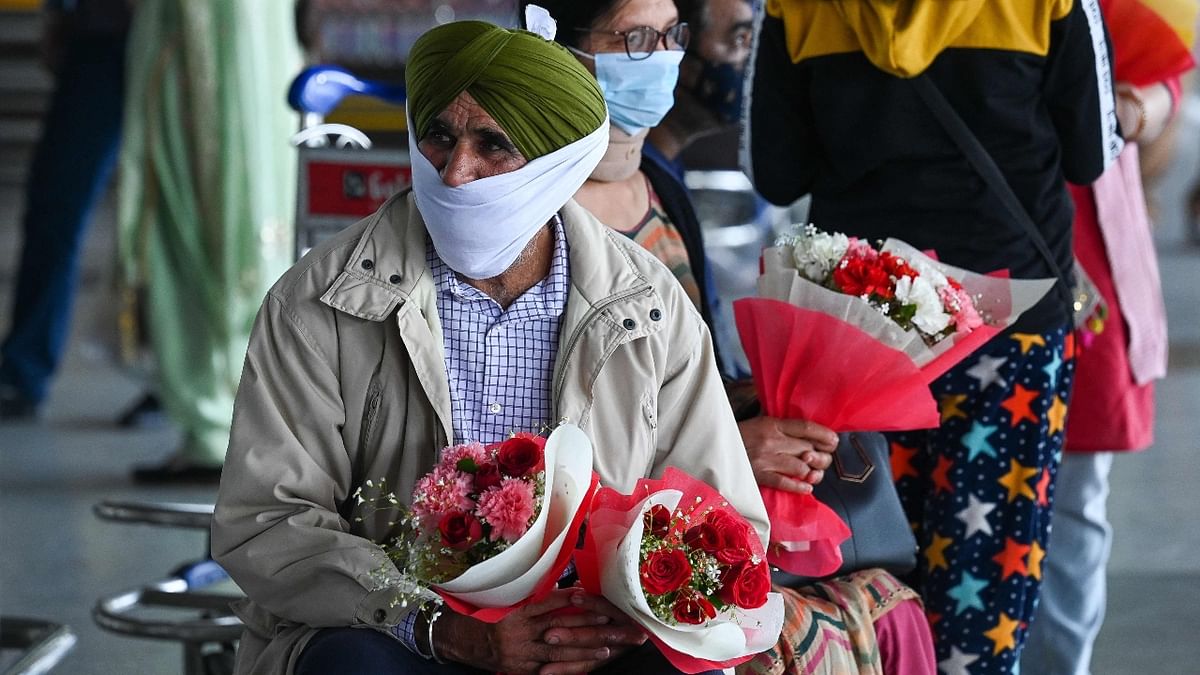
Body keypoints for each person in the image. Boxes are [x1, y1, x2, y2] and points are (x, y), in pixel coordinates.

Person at [211, 18, 768, 675]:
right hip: (394, 626)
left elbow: (719, 511)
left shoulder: (645, 305)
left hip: (587, 631)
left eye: (492, 144)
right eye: (440, 136)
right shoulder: (319, 301)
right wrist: (435, 624)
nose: (455, 171)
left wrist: (622, 605)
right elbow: (268, 521)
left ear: (556, 161)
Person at [528, 1, 936, 672]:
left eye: (671, 36)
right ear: (564, 48)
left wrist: (771, 401)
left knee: (889, 597)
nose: (662, 57)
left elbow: (690, 377)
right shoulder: (541, 221)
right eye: (635, 39)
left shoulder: (656, 185)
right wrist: (728, 452)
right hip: (612, 545)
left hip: (701, 507)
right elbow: (550, 428)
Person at [746, 1, 1122, 672]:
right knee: (987, 578)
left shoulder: (795, 7)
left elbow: (774, 171)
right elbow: (1093, 151)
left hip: (860, 328)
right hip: (1009, 326)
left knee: (866, 557)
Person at [1021, 1, 1196, 673]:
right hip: (975, 238)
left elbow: (1164, 75)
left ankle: (1061, 661)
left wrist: (1136, 107)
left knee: (1076, 496)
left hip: (1090, 247)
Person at [116, 0, 302, 482]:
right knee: (244, 216)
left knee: (198, 222)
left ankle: (213, 426)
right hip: (248, 57)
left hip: (206, 64)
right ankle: (233, 425)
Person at [0, 0, 130, 420]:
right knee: (56, 201)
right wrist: (62, 13)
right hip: (103, 34)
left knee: (179, 210)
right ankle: (23, 369)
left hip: (182, 36)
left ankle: (184, 382)